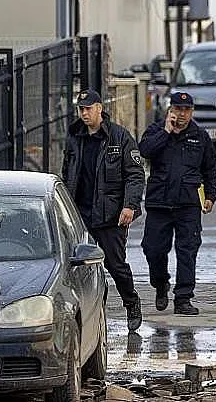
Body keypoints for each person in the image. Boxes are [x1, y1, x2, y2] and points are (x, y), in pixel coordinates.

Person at [61, 89, 145, 332]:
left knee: (115, 265)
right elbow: (67, 173)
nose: (84, 113)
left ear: (99, 108)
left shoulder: (119, 137)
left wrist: (130, 205)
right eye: (81, 109)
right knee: (81, 267)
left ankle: (131, 302)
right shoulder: (75, 137)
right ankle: (94, 312)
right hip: (81, 215)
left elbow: (135, 175)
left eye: (88, 108)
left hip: (110, 215)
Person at [138, 91, 216, 316]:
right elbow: (145, 150)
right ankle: (161, 283)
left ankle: (183, 298)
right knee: (152, 249)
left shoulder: (200, 137)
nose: (181, 114)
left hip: (188, 204)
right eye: (177, 109)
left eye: (186, 110)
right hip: (159, 203)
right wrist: (166, 131)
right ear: (170, 110)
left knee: (187, 251)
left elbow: (211, 169)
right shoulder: (156, 131)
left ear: (191, 112)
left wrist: (211, 196)